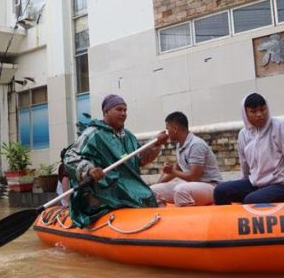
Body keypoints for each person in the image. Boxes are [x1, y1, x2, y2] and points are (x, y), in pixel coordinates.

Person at [63, 94, 167, 227]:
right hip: (103, 187)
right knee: (144, 196)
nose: (123, 113)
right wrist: (89, 169)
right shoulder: (92, 134)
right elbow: (70, 157)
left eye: (125, 110)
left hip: (128, 185)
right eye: (119, 109)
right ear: (106, 111)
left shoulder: (128, 136)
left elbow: (140, 159)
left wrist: (155, 144)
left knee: (149, 196)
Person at [214, 93, 284, 205]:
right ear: (245, 113)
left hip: (282, 185)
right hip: (257, 184)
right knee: (220, 191)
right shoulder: (243, 134)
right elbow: (245, 165)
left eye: (263, 110)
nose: (259, 115)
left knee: (252, 200)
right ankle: (231, 216)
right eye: (253, 111)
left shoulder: (279, 126)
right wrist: (241, 187)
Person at [151, 112, 222, 206]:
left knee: (181, 190)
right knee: (153, 191)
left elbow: (194, 177)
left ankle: (191, 215)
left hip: (211, 187)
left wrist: (172, 171)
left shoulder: (196, 145)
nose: (167, 133)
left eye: (168, 129)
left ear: (175, 129)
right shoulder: (180, 145)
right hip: (191, 186)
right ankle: (160, 215)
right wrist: (158, 183)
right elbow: (177, 169)